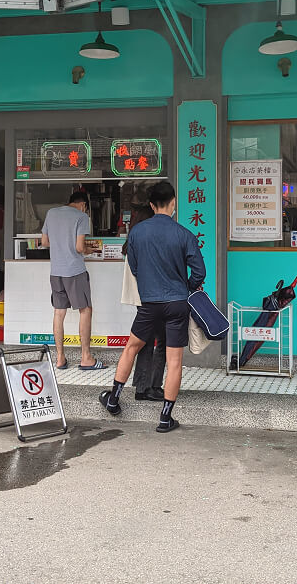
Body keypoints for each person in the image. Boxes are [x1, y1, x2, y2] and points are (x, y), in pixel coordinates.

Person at [99, 181, 205, 433]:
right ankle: (165, 417)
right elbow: (200, 272)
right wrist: (185, 286)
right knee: (174, 361)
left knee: (131, 348)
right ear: (173, 203)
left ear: (150, 204)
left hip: (149, 304)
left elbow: (134, 268)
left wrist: (150, 285)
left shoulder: (137, 232)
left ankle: (113, 399)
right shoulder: (184, 234)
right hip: (177, 303)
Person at [42, 190, 103, 370]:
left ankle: (60, 358)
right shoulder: (81, 217)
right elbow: (78, 247)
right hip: (74, 272)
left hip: (56, 272)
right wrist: (88, 250)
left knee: (58, 313)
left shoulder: (51, 213)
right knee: (86, 310)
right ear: (83, 205)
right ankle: (86, 358)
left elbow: (45, 242)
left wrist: (61, 243)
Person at [123, 204, 166, 402]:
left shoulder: (133, 240)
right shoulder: (147, 242)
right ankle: (152, 387)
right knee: (161, 342)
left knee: (145, 343)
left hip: (143, 299)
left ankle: (142, 387)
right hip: (154, 298)